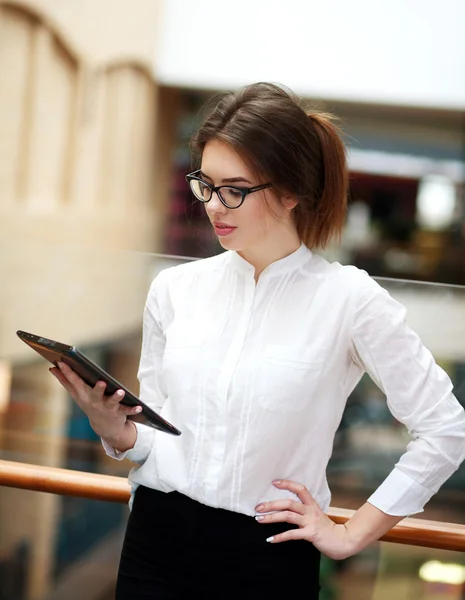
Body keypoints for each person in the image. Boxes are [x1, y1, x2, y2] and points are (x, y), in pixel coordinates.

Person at [50, 82, 465, 599]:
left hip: (268, 557)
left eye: (235, 190)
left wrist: (352, 533)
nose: (213, 206)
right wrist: (115, 429)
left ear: (291, 192)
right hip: (155, 540)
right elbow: (159, 435)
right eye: (205, 183)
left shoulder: (350, 299)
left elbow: (445, 429)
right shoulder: (175, 289)